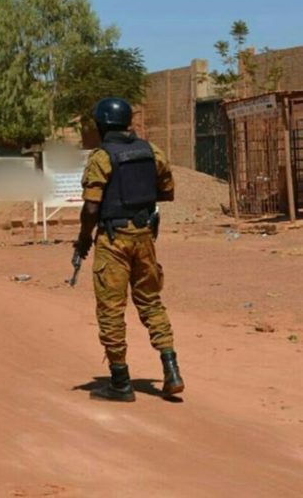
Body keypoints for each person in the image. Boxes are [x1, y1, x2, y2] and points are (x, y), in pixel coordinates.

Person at [74, 97, 184, 402]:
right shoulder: (152, 151)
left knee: (111, 309)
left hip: (113, 241)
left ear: (102, 124)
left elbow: (92, 207)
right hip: (145, 236)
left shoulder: (102, 157)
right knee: (151, 301)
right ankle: (171, 368)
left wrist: (84, 238)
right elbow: (167, 191)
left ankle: (120, 382)